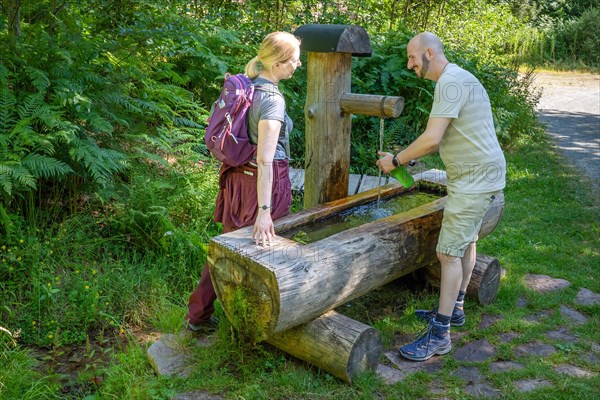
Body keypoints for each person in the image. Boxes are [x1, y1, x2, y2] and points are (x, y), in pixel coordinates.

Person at [376, 32, 506, 361]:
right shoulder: (458, 77)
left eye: (412, 58)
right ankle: (458, 306)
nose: (409, 65)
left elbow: (432, 138)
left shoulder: (449, 83)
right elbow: (456, 133)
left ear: (429, 53)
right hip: (481, 173)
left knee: (447, 254)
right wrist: (413, 155)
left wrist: (396, 160)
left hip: (474, 180)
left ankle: (440, 334)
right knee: (467, 241)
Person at [185, 31, 302, 331]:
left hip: (237, 178)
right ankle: (256, 325)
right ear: (277, 63)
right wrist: (265, 209)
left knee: (226, 248)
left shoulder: (249, 89)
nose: (298, 64)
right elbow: (265, 158)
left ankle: (198, 316)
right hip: (263, 184)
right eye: (294, 59)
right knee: (267, 251)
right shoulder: (273, 101)